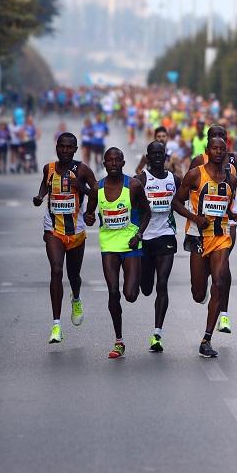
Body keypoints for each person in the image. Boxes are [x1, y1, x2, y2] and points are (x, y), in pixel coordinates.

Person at [172, 137, 237, 358]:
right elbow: (176, 202)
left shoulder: (231, 179)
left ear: (225, 152)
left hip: (221, 236)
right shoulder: (195, 174)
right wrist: (195, 217)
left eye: (221, 149)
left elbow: (227, 208)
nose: (218, 152)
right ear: (207, 150)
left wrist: (236, 216)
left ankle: (206, 339)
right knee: (198, 293)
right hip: (198, 236)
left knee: (219, 281)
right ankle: (201, 292)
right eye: (214, 148)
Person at [187, 125, 237, 334]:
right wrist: (194, 216)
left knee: (223, 269)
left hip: (226, 219)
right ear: (207, 144)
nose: (218, 141)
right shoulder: (199, 161)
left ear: (227, 141)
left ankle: (222, 314)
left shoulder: (235, 160)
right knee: (199, 290)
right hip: (200, 226)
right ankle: (205, 282)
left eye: (221, 137)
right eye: (213, 138)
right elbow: (185, 189)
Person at [32, 133, 98, 345]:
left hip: (76, 231)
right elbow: (45, 185)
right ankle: (56, 325)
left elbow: (96, 191)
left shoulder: (83, 170)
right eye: (62, 147)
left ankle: (76, 298)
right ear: (57, 148)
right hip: (53, 228)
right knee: (56, 270)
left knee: (74, 276)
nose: (65, 151)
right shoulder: (49, 168)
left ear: (76, 149)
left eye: (70, 147)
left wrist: (88, 206)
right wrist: (40, 196)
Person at [96, 147, 151, 359]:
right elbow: (90, 211)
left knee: (130, 295)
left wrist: (139, 235)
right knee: (113, 292)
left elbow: (147, 212)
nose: (113, 164)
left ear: (123, 162)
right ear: (104, 164)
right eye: (109, 160)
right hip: (108, 246)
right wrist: (89, 216)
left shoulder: (134, 185)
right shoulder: (97, 188)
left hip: (131, 244)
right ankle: (119, 341)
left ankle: (143, 271)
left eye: (117, 160)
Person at [137, 140, 179, 353]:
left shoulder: (173, 179)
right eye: (153, 154)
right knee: (146, 288)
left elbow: (185, 198)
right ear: (148, 156)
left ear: (165, 156)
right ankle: (143, 281)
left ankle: (157, 333)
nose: (157, 157)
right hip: (145, 239)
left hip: (166, 235)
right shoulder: (142, 179)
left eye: (160, 153)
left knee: (162, 284)